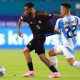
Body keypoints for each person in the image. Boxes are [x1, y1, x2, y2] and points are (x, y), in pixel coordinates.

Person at [18, 2, 60, 78]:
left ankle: (31, 72)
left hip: (40, 37)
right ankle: (55, 72)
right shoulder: (26, 16)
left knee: (25, 51)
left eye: (26, 10)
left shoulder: (42, 14)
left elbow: (54, 15)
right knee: (42, 57)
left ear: (31, 9)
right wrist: (18, 30)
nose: (25, 11)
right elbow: (20, 20)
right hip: (37, 37)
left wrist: (65, 17)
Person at [49, 3, 80, 74]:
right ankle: (55, 73)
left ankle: (55, 73)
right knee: (51, 52)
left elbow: (55, 30)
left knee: (71, 62)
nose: (60, 11)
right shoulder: (76, 18)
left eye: (61, 9)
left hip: (67, 44)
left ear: (65, 9)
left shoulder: (60, 21)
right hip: (69, 43)